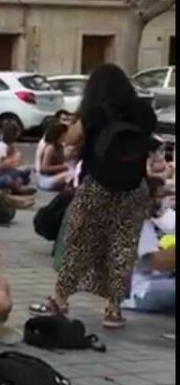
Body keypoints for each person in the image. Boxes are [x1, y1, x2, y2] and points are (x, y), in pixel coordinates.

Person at [47, 63, 160, 328]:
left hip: (97, 185)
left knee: (79, 241)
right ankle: (113, 309)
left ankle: (60, 299)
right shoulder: (143, 111)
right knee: (123, 246)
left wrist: (80, 119)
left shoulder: (96, 111)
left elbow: (71, 140)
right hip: (134, 187)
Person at [123, 178, 176, 313]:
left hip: (161, 279)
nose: (162, 201)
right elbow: (157, 263)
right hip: (141, 291)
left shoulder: (154, 217)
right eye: (159, 196)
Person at [36, 121, 72, 191]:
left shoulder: (60, 147)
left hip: (54, 176)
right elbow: (44, 168)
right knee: (70, 174)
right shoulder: (50, 148)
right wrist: (64, 167)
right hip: (46, 180)